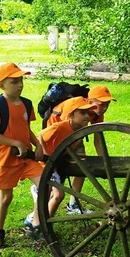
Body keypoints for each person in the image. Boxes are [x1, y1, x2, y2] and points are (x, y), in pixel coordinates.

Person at [0, 62, 44, 249]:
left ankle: (36, 224)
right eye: (14, 81)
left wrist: (38, 145)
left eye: (21, 80)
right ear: (2, 85)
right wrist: (16, 143)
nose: (20, 85)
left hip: (26, 157)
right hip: (5, 158)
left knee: (45, 185)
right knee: (6, 197)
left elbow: (26, 129)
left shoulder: (26, 104)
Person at [25, 97, 97, 231]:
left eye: (89, 113)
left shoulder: (79, 130)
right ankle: (38, 223)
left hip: (57, 165)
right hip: (46, 166)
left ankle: (42, 222)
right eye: (82, 113)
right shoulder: (60, 126)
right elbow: (41, 136)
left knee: (57, 196)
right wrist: (48, 158)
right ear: (70, 114)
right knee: (58, 195)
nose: (87, 116)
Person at [44, 85, 117, 214]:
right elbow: (63, 130)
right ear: (90, 101)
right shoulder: (75, 107)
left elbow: (97, 137)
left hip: (76, 134)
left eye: (107, 104)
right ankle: (44, 191)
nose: (104, 108)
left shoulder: (97, 114)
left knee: (83, 165)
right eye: (101, 104)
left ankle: (73, 204)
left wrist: (103, 161)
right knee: (58, 167)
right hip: (57, 132)